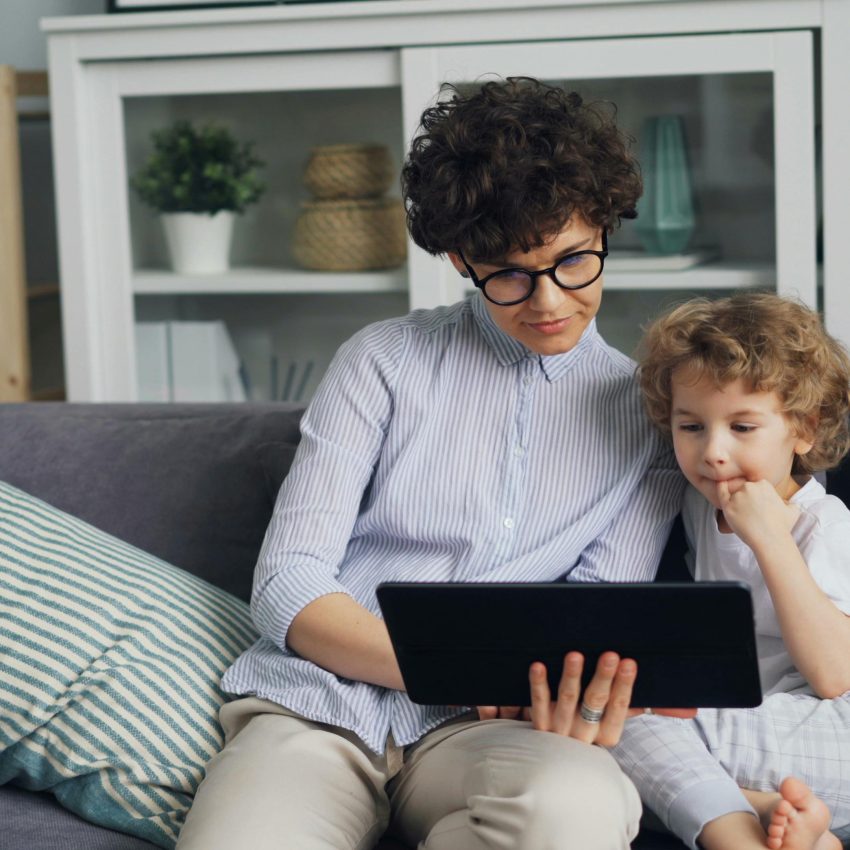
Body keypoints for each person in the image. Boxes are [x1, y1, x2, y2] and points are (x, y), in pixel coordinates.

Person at [175, 77, 683, 850]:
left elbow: (595, 612)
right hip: (318, 712)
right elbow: (288, 587)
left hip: (479, 737)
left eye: (574, 261)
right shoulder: (382, 360)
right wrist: (460, 670)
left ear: (605, 230)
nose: (547, 300)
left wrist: (577, 692)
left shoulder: (649, 415)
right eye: (509, 273)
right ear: (459, 258)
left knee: (577, 805)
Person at [609, 292, 850, 850]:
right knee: (595, 735)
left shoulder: (823, 524)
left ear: (805, 430)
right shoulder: (700, 504)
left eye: (743, 428)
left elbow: (835, 676)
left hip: (833, 732)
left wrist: (770, 538)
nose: (713, 451)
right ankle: (777, 817)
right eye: (691, 427)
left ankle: (742, 824)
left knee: (622, 722)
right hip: (755, 733)